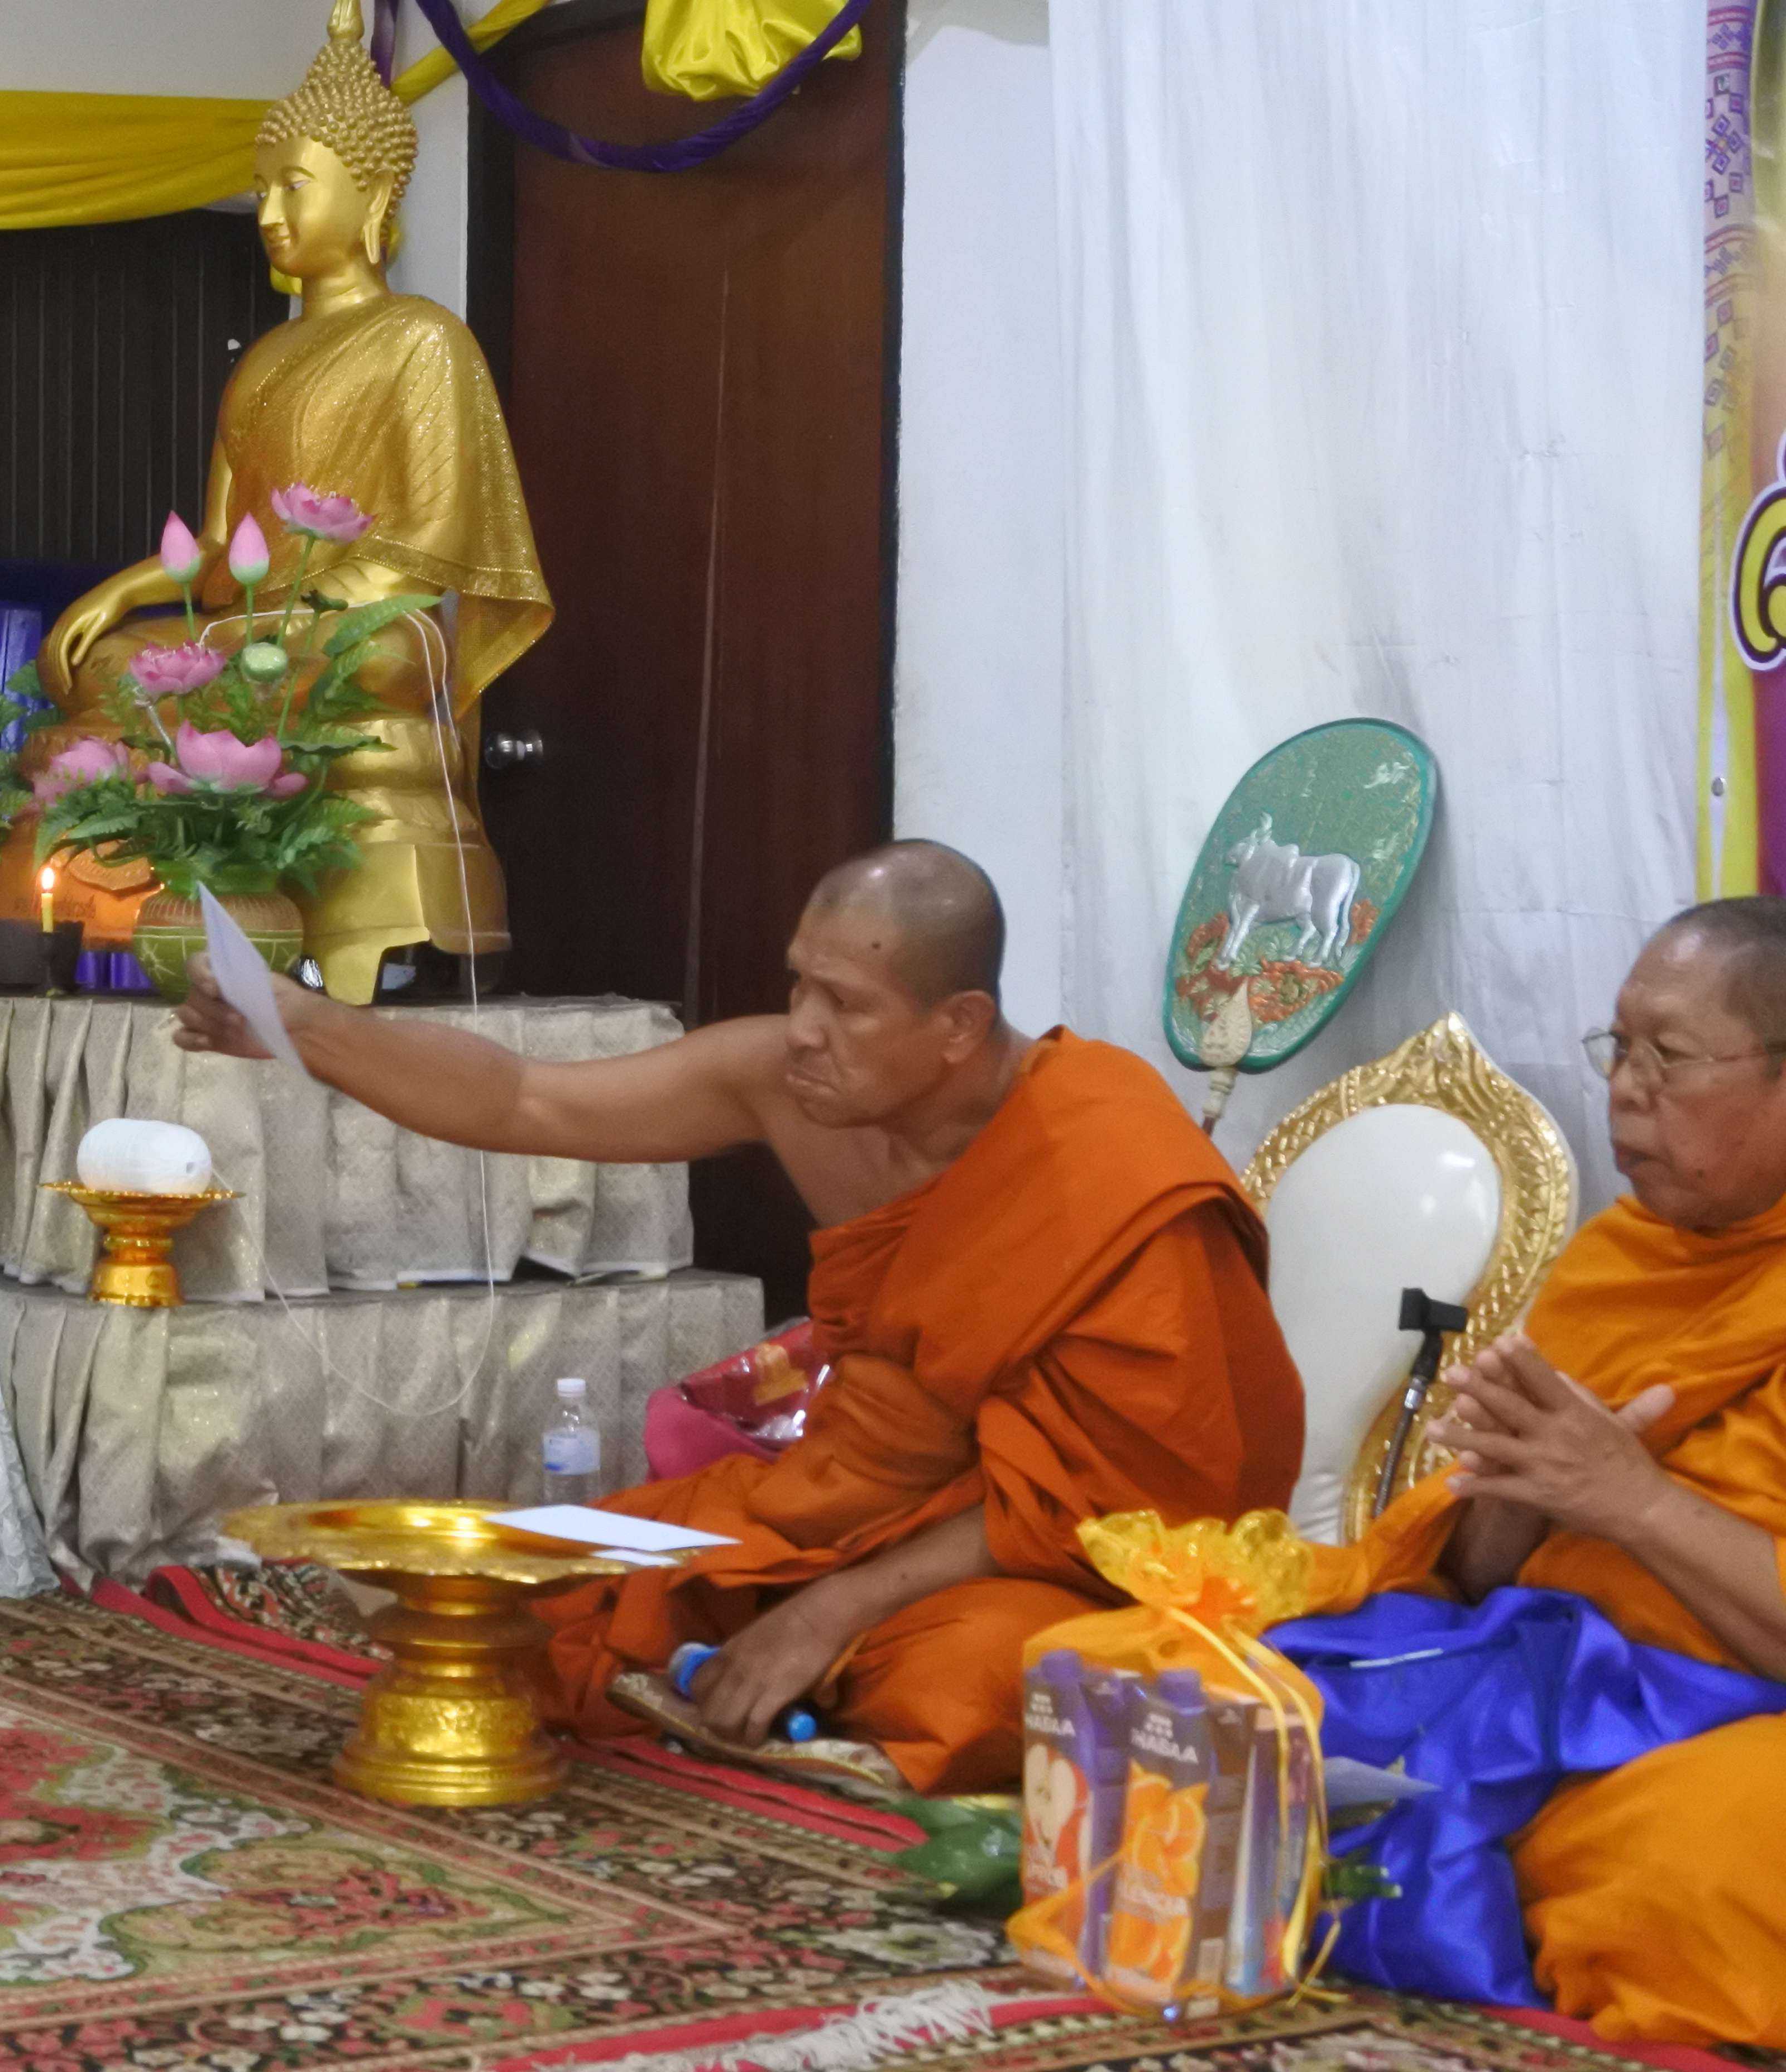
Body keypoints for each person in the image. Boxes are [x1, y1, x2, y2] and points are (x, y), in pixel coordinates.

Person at [173, 840, 1304, 1791]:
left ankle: (801, 1670)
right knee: (542, 1612)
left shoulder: (1104, 1155)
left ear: (960, 1024)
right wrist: (308, 1026)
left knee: (989, 1680)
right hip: (837, 1502)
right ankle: (783, 1680)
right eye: (800, 984)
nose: (802, 1026)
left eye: (845, 1004)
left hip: (1026, 1558)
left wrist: (830, 1611)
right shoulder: (793, 1083)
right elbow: (527, 1098)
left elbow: (1132, 1504)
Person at [1295, 899, 1786, 2045]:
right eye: (1620, 1046)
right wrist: (1521, 1486)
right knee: (1206, 1695)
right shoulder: (1623, 1261)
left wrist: (1634, 1501)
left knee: (1699, 1865)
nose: (1625, 1088)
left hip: (1728, 1724)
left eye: (1669, 1057)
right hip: (1546, 1681)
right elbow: (1474, 1581)